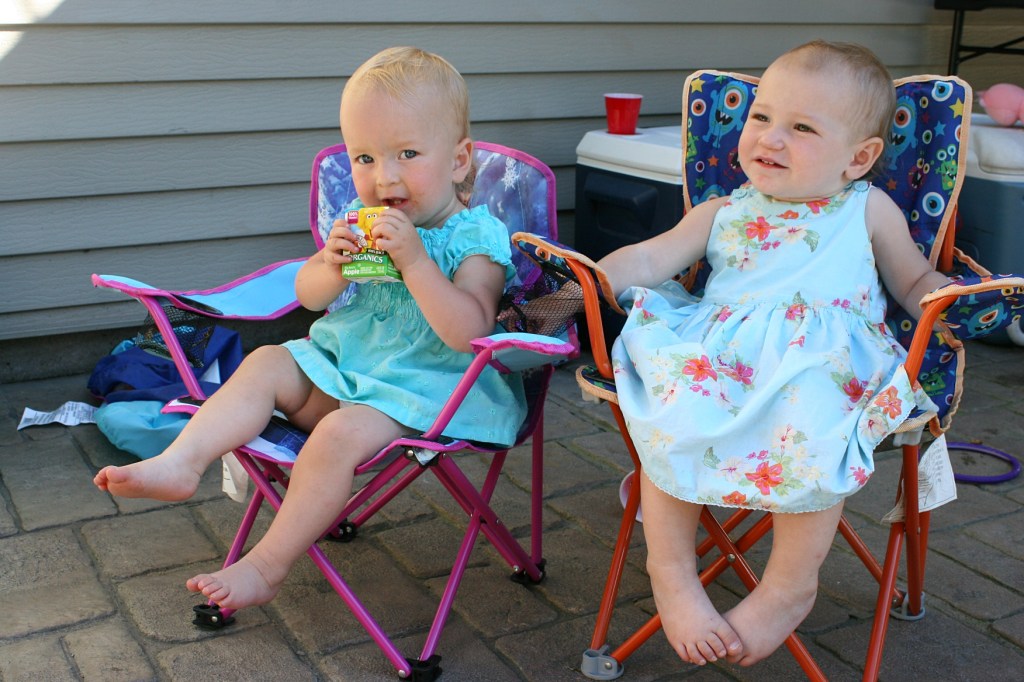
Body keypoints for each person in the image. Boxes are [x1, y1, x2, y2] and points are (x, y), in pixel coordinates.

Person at [93, 46, 526, 610]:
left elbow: (468, 330)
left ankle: (267, 565)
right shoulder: (360, 224)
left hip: (425, 393)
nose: (383, 175)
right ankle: (182, 461)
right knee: (267, 361)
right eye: (365, 158)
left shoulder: (476, 238)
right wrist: (329, 264)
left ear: (460, 160)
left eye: (408, 153)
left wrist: (418, 263)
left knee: (337, 437)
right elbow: (308, 297)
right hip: (347, 369)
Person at [597, 40, 950, 668]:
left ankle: (789, 587)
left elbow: (913, 280)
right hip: (720, 355)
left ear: (859, 158)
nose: (770, 138)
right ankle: (672, 572)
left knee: (818, 420)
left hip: (826, 362)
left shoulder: (868, 208)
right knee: (675, 401)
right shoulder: (723, 210)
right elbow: (653, 259)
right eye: (761, 117)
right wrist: (592, 277)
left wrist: (943, 297)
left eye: (803, 127)